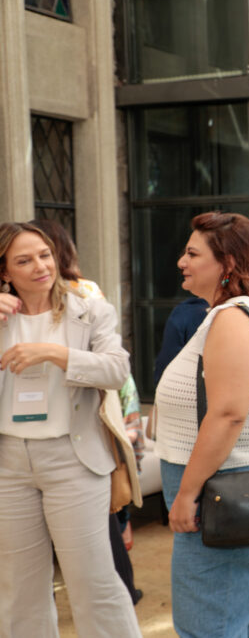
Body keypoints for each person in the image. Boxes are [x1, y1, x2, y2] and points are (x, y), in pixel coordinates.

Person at [0, 222, 142, 638]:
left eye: (44, 254)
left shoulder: (89, 308)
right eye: (23, 260)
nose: (40, 266)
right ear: (5, 271)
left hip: (73, 459)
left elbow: (117, 370)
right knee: (18, 587)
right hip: (8, 464)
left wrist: (56, 354)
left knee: (93, 580)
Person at [155, 211, 249, 638]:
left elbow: (228, 413)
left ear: (227, 264)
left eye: (193, 253)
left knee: (207, 624)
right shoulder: (235, 313)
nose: (182, 261)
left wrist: (188, 492)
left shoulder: (232, 317)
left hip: (221, 489)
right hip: (225, 485)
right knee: (233, 617)